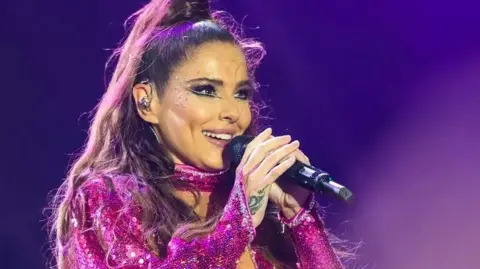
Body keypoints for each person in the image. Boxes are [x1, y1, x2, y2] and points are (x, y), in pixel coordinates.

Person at [49, 0, 349, 268]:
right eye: (206, 90)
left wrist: (300, 222)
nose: (233, 112)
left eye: (242, 94)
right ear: (146, 101)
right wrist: (237, 223)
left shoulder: (257, 207)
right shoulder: (108, 198)